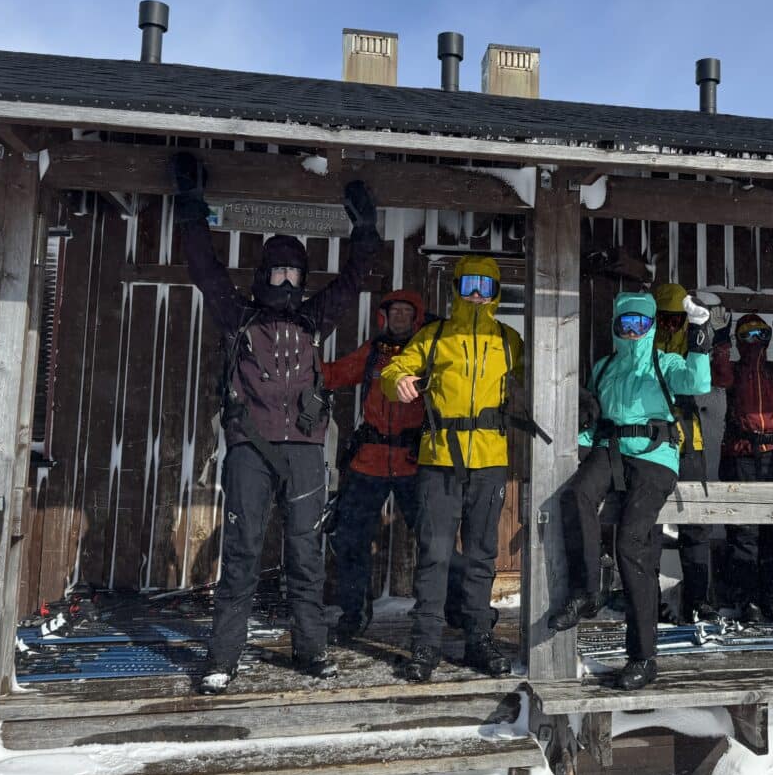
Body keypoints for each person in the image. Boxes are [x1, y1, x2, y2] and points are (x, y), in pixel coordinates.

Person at [169, 152, 381, 695]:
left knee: (306, 555)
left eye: (294, 273)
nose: (286, 281)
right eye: (278, 272)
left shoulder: (313, 319)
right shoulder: (239, 316)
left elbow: (354, 278)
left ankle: (311, 650)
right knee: (242, 553)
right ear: (264, 274)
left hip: (305, 451)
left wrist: (365, 226)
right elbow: (203, 267)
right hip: (251, 449)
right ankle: (223, 659)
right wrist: (191, 204)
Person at [549, 290, 713, 691]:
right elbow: (592, 418)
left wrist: (699, 331)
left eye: (641, 323)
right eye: (627, 323)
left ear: (651, 326)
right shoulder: (605, 367)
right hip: (610, 450)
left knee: (631, 542)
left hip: (655, 456)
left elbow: (698, 381)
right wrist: (576, 447)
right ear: (616, 327)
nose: (634, 330)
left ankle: (642, 656)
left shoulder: (664, 362)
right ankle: (586, 592)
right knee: (576, 495)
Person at [380, 255, 533, 682]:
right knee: (435, 553)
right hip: (440, 459)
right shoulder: (435, 336)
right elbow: (394, 369)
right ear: (456, 289)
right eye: (469, 285)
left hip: (490, 459)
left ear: (496, 291)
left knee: (483, 554)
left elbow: (538, 379)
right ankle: (425, 644)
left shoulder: (509, 340)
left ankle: (478, 639)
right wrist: (398, 381)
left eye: (486, 286)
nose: (478, 294)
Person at [319, 290, 427, 642]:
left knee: (434, 541)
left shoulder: (428, 352)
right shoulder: (372, 354)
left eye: (406, 311)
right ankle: (354, 615)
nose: (399, 316)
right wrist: (302, 358)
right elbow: (332, 375)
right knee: (351, 539)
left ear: (416, 318)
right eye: (394, 311)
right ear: (384, 316)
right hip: (370, 461)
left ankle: (451, 610)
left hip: (415, 462)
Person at [712, 305, 773, 624]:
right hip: (741, 455)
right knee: (743, 530)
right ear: (740, 339)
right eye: (747, 334)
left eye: (760, 333)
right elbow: (719, 376)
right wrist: (721, 338)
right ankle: (746, 597)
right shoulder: (735, 370)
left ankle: (771, 597)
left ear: (768, 338)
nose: (754, 339)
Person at [651, 282, 717, 623]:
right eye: (664, 318)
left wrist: (700, 328)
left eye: (677, 319)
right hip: (651, 440)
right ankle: (647, 597)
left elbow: (706, 372)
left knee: (695, 520)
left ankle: (698, 599)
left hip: (688, 437)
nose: (670, 325)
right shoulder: (643, 339)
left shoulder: (696, 338)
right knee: (647, 520)